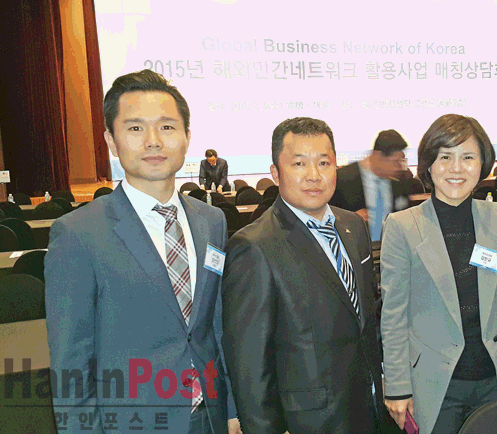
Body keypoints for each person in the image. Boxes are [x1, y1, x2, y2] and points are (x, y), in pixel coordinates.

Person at [45, 69, 240, 433]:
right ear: (111, 140)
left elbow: (216, 325)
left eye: (167, 127)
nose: (153, 141)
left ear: (186, 137)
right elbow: (70, 362)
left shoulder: (211, 220)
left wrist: (231, 408)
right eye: (135, 128)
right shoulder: (78, 233)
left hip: (210, 417)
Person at [221, 117, 391, 433]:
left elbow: (365, 317)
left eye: (324, 163)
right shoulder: (253, 246)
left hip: (366, 408)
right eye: (299, 163)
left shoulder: (353, 226)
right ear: (276, 173)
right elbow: (249, 363)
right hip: (307, 422)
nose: (314, 175)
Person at [380, 114, 497, 434]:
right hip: (434, 383)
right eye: (445, 157)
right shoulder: (402, 226)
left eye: (467, 157)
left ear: (482, 164)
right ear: (429, 165)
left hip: (495, 378)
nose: (456, 168)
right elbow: (394, 315)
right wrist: (397, 387)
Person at [329, 129, 409, 241]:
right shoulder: (341, 179)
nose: (398, 168)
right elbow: (323, 216)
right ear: (378, 155)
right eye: (395, 162)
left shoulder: (397, 184)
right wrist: (347, 220)